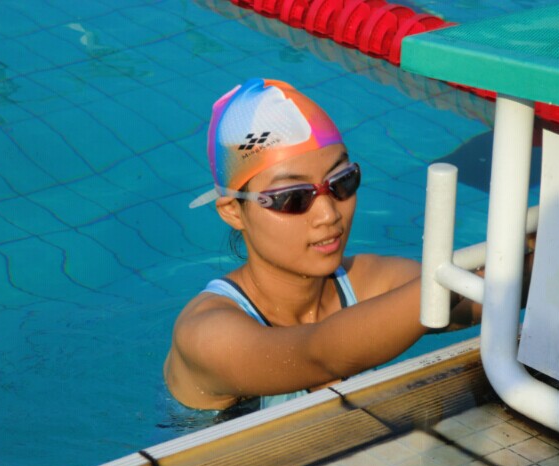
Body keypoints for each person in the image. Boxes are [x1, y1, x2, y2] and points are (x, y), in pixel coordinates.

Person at [163, 78, 481, 412]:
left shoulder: (366, 280)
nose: (329, 214)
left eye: (342, 182)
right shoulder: (205, 334)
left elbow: (485, 298)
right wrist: (450, 282)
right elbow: (320, 355)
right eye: (293, 198)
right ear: (233, 211)